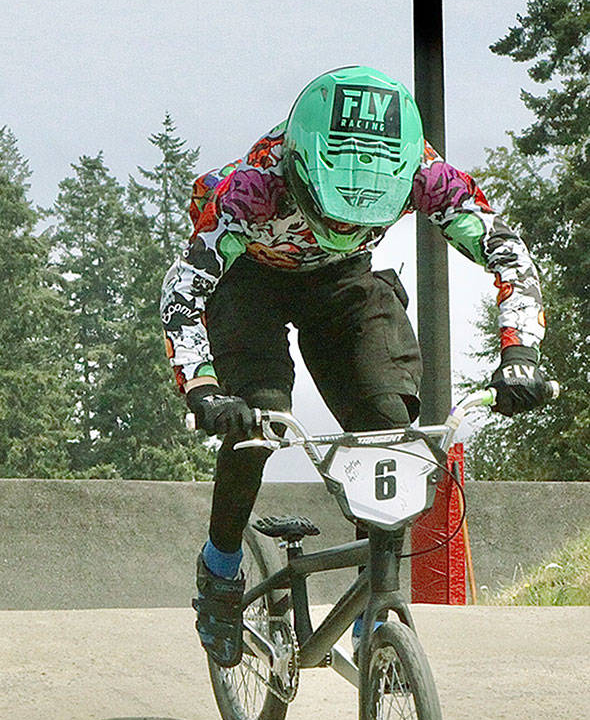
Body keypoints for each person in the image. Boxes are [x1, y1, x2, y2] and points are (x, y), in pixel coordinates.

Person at [160, 66, 551, 667]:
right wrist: (204, 387)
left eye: (361, 216)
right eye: (332, 212)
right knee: (259, 420)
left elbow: (507, 249)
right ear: (299, 173)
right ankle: (219, 568)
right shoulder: (247, 190)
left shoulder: (422, 172)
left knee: (388, 424)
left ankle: (379, 610)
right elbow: (186, 287)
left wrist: (519, 349)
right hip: (250, 279)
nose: (344, 227)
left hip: (343, 283)